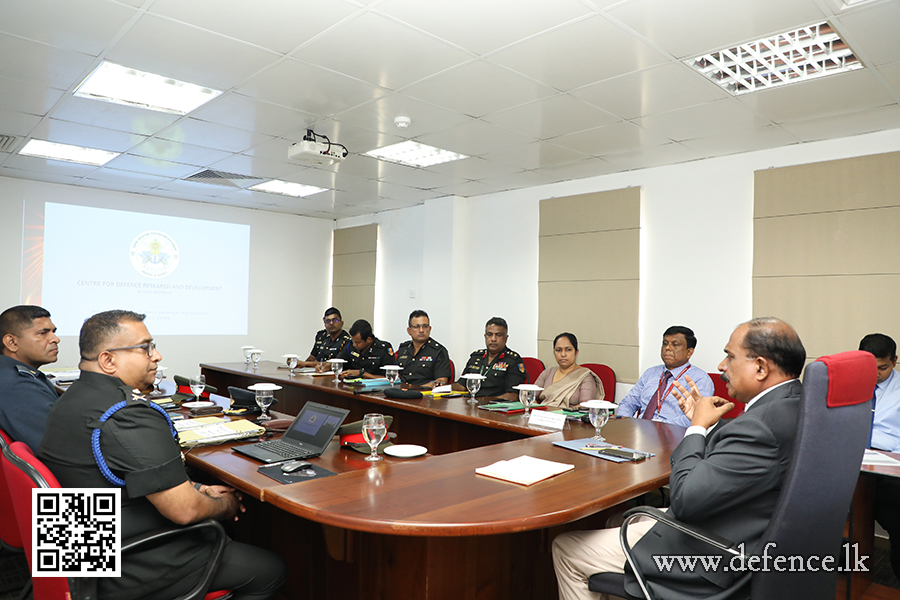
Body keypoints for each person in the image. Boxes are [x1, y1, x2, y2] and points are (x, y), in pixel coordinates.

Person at [552, 317, 806, 600]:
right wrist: (707, 424)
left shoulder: (760, 424)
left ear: (760, 367)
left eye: (730, 356)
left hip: (713, 554)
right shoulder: (794, 405)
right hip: (746, 529)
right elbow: (745, 454)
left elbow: (683, 500)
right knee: (617, 520)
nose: (721, 366)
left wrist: (695, 428)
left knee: (566, 547)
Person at [39, 310, 286, 600]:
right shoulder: (126, 412)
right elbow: (184, 511)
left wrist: (197, 488)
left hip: (78, 545)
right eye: (146, 348)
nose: (156, 356)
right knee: (271, 569)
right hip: (123, 561)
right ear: (108, 360)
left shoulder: (70, 397)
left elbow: (116, 471)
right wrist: (226, 504)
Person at [859, 333, 900, 580]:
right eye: (869, 367)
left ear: (894, 361)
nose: (875, 374)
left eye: (882, 368)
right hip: (851, 461)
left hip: (888, 465)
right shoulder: (848, 385)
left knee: (896, 517)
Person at [615, 325, 713, 428]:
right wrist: (624, 424)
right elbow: (628, 403)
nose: (668, 348)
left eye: (675, 345)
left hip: (673, 435)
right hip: (639, 431)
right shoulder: (650, 373)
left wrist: (659, 427)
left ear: (689, 352)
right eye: (665, 344)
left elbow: (697, 416)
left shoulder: (700, 379)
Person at [0, 305, 61, 453]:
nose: (56, 339)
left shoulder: (14, 374)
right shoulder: (18, 386)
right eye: (43, 333)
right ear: (12, 343)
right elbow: (57, 447)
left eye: (53, 332)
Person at [453, 317, 526, 401]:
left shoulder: (513, 360)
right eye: (489, 334)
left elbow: (512, 395)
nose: (493, 339)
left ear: (505, 339)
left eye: (498, 335)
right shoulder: (476, 357)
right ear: (485, 336)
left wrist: (486, 402)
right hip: (470, 404)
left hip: (494, 408)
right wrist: (441, 386)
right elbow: (461, 385)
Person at [534, 332, 603, 408]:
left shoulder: (585, 376)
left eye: (568, 350)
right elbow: (530, 396)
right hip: (543, 416)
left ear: (576, 353)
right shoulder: (548, 372)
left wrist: (561, 413)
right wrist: (538, 409)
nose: (563, 354)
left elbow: (585, 406)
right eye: (558, 350)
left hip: (569, 417)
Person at [396, 310, 452, 388]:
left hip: (425, 395)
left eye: (425, 326)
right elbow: (396, 375)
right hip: (402, 392)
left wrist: (429, 385)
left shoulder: (438, 351)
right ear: (409, 331)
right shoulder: (403, 348)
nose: (421, 330)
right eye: (417, 327)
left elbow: (442, 380)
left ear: (430, 329)